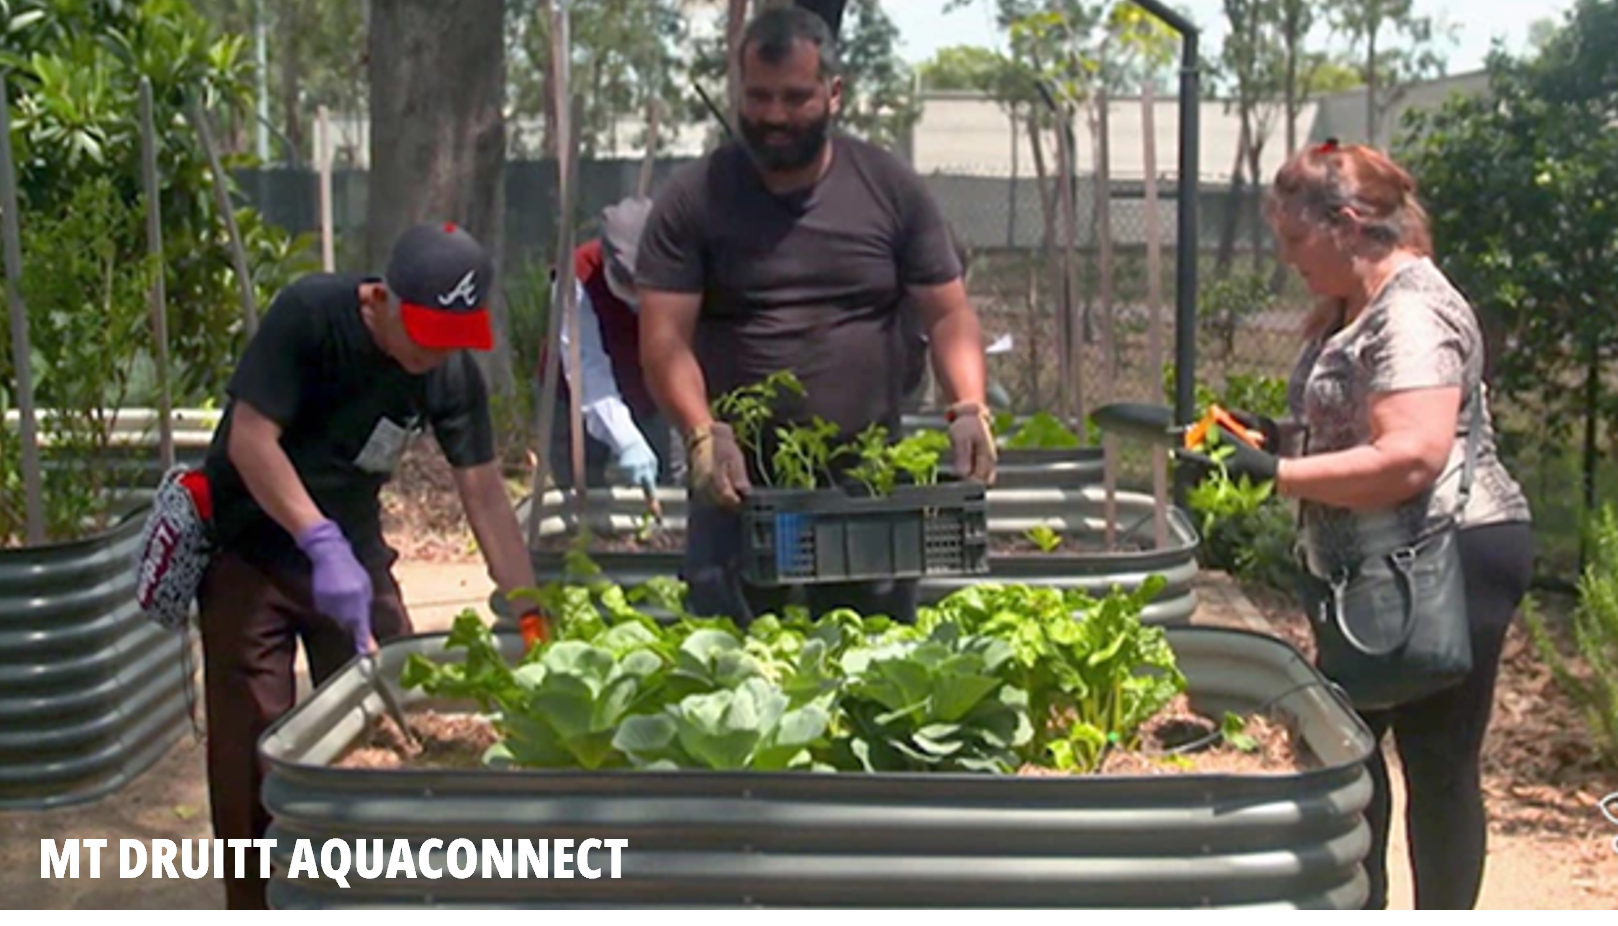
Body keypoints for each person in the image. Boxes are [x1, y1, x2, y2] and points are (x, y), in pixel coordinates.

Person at [1177, 138, 1534, 910]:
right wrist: (1270, 439)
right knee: (1352, 753)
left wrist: (1276, 477)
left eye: (1296, 240)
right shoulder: (1352, 308)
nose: (1289, 259)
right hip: (1370, 564)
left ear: (1346, 222)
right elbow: (1353, 427)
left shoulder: (1413, 310)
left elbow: (1411, 457)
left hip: (1445, 555)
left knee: (1435, 763)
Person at [195, 222, 545, 910]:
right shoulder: (310, 316)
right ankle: (257, 898)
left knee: (400, 705)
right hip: (251, 551)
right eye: (424, 335)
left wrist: (529, 609)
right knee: (254, 740)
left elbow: (484, 494)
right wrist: (315, 539)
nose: (434, 355)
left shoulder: (447, 370)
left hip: (353, 555)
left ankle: (379, 889)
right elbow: (250, 440)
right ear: (378, 301)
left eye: (452, 340)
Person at [633, 5, 997, 627]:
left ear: (834, 94)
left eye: (795, 98)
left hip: (866, 488)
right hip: (736, 482)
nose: (774, 115)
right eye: (759, 97)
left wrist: (968, 406)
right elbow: (664, 338)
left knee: (874, 666)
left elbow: (948, 314)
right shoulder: (696, 199)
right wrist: (701, 430)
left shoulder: (889, 188)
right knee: (731, 666)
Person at [537, 196, 676, 491]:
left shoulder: (679, 268)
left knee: (663, 487)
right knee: (580, 493)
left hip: (648, 393)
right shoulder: (576, 277)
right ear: (609, 261)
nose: (639, 297)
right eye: (629, 285)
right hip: (571, 399)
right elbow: (587, 372)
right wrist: (627, 441)